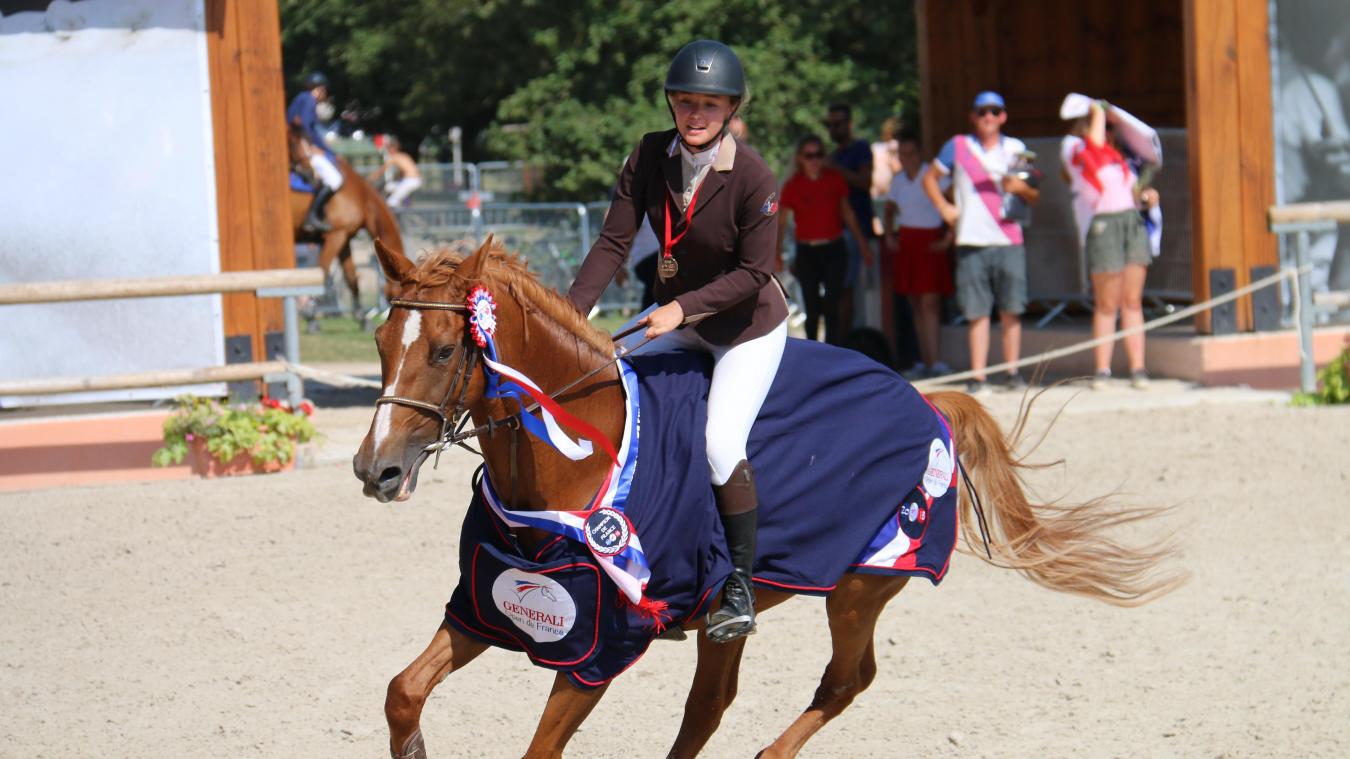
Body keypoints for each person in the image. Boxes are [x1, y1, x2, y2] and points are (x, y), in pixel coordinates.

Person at [567, 40, 787, 643]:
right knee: (616, 396)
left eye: (710, 105)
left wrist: (681, 309)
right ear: (671, 103)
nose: (696, 114)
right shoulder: (647, 156)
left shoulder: (753, 176)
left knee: (719, 443)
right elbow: (614, 243)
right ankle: (649, 564)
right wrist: (568, 318)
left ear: (731, 109)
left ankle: (738, 586)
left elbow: (755, 273)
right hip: (677, 318)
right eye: (686, 102)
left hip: (746, 327)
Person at [922, 91, 1039, 394]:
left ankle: (1012, 372)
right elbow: (930, 179)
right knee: (977, 311)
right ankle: (978, 375)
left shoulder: (1016, 149)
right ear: (973, 116)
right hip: (971, 238)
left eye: (995, 111)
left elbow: (1035, 193)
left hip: (1008, 237)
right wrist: (944, 208)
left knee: (1011, 308)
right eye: (983, 111)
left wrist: (1020, 188)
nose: (989, 117)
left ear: (1003, 116)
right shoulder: (958, 146)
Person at [1061, 100, 1158, 389]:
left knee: (1132, 300)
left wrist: (1147, 197)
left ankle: (1137, 368)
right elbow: (1094, 144)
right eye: (1106, 126)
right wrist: (1098, 110)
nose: (1110, 132)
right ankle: (1102, 370)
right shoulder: (1075, 149)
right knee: (1106, 303)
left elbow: (1129, 192)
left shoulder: (1118, 159)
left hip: (1130, 222)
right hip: (1104, 226)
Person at [778, 134, 869, 345]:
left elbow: (848, 213)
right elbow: (781, 222)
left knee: (832, 305)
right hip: (807, 251)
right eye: (809, 155)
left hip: (834, 248)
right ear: (800, 158)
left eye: (819, 154)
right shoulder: (793, 185)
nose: (814, 160)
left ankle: (832, 350)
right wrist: (775, 254)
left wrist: (863, 245)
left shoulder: (835, 179)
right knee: (811, 306)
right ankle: (813, 350)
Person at [884, 132, 952, 379]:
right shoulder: (898, 180)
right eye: (902, 153)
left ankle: (935, 360)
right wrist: (890, 235)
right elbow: (889, 209)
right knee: (914, 302)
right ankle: (925, 359)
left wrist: (949, 237)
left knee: (930, 303)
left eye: (910, 153)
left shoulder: (932, 175)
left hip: (930, 241)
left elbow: (952, 202)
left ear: (920, 152)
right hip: (908, 242)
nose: (906, 158)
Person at [825, 104, 877, 336]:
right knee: (839, 290)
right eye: (830, 125)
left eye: (838, 124)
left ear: (849, 125)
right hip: (835, 232)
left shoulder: (860, 148)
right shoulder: (832, 155)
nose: (833, 129)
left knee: (854, 291)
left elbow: (865, 183)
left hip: (859, 233)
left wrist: (836, 170)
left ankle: (853, 342)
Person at [287, 71, 343, 233]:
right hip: (303, 147)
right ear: (320, 89)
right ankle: (312, 216)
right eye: (324, 91)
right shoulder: (309, 100)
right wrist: (325, 149)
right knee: (335, 179)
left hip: (300, 144)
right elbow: (306, 127)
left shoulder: (301, 98)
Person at [367, 136, 422, 209]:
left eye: (388, 148)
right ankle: (406, 202)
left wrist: (368, 180)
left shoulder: (394, 157)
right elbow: (404, 172)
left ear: (392, 148)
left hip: (409, 181)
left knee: (391, 203)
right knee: (388, 187)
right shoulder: (404, 156)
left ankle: (396, 217)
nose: (387, 150)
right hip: (415, 180)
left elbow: (381, 171)